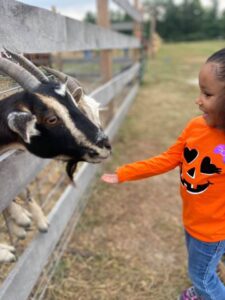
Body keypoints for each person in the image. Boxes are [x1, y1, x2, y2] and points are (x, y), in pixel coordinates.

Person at [101, 48, 225, 300]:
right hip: (193, 220)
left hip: (213, 230)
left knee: (200, 275)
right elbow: (168, 159)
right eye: (200, 90)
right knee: (204, 264)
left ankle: (208, 290)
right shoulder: (195, 127)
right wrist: (126, 172)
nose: (198, 100)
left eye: (207, 93)